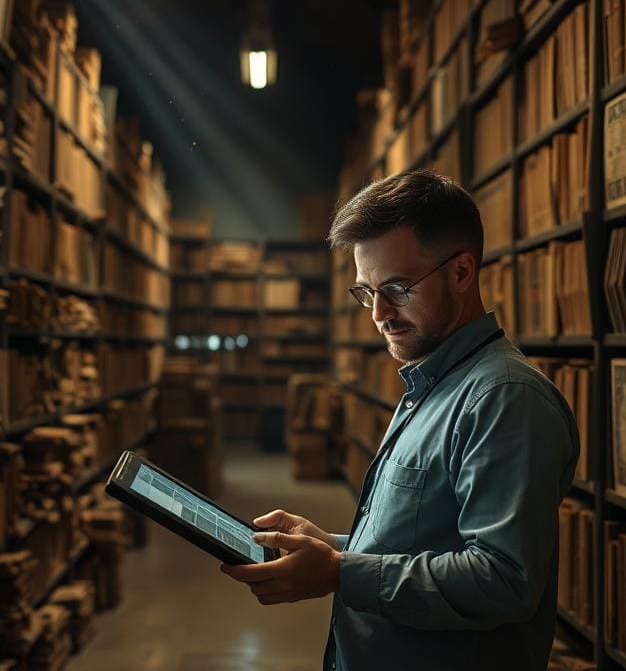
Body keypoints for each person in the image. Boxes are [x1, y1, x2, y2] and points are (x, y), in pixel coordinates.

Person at [220, 169, 579, 671]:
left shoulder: (504, 399)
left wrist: (342, 574)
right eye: (366, 291)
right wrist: (332, 549)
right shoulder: (431, 383)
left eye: (397, 288)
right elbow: (427, 542)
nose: (379, 314)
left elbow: (503, 578)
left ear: (461, 272)